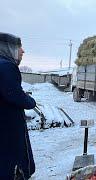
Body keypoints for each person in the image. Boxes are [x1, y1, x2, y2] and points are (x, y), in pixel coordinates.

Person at [0, 33, 36, 179]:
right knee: (11, 166)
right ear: (8, 48)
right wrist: (30, 101)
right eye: (19, 47)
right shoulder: (6, 67)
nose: (22, 51)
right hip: (7, 130)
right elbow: (15, 95)